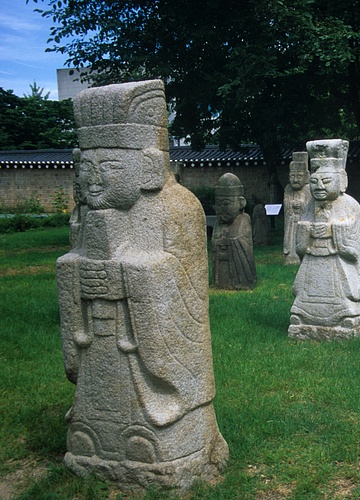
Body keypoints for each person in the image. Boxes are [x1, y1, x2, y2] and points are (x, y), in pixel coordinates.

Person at [56, 80, 227, 490]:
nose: (94, 180)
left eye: (110, 168)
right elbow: (72, 263)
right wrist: (76, 271)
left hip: (145, 344)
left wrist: (130, 275)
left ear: (148, 167)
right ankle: (97, 436)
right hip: (101, 338)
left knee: (149, 434)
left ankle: (181, 438)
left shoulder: (178, 207)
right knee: (92, 425)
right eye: (87, 168)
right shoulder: (88, 215)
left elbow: (186, 285)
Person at [289, 139, 360, 340]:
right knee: (306, 292)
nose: (319, 187)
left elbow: (354, 246)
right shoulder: (310, 206)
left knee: (342, 295)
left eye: (326, 181)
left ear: (342, 181)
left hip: (337, 262)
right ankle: (305, 314)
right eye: (314, 182)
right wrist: (307, 230)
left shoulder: (350, 205)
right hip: (314, 260)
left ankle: (346, 313)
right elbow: (300, 240)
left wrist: (331, 230)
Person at [211, 172, 257, 289]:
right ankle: (219, 282)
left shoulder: (244, 219)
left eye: (227, 204)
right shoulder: (218, 223)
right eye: (218, 204)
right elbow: (214, 241)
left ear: (241, 203)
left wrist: (225, 240)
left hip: (239, 266)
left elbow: (242, 242)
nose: (222, 208)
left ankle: (243, 282)